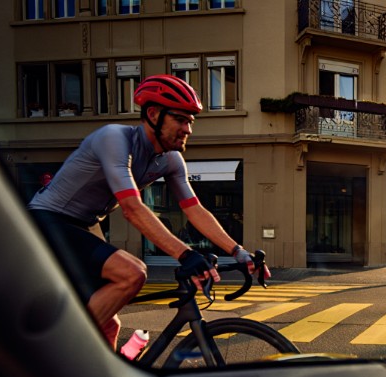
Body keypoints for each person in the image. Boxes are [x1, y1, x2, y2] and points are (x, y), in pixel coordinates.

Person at [27, 74, 256, 351]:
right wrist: (185, 254)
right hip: (48, 220)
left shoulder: (170, 160)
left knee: (109, 325)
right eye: (180, 120)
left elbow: (194, 209)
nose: (187, 129)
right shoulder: (114, 138)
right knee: (132, 273)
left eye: (190, 122)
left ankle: (99, 376)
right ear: (154, 114)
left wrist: (238, 252)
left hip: (86, 224)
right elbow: (132, 208)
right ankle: (51, 354)